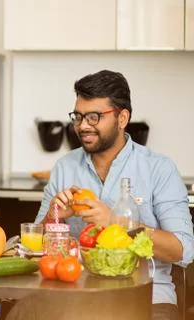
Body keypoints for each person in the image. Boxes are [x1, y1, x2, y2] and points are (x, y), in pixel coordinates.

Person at [34, 70, 194, 320]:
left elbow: (183, 250)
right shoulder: (65, 167)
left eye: (94, 116)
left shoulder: (159, 169)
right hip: (75, 298)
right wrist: (54, 218)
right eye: (78, 116)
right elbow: (36, 247)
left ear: (122, 118)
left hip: (149, 301)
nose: (83, 125)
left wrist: (119, 223)